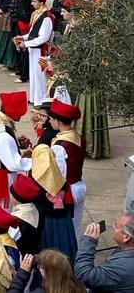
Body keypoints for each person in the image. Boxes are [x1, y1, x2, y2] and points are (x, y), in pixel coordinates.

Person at [0, 91, 33, 209]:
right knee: (4, 212)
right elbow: (14, 164)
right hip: (1, 178)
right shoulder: (3, 135)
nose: (21, 116)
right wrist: (36, 160)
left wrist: (15, 144)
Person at [45, 99, 87, 231]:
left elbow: (59, 174)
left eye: (51, 119)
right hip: (79, 185)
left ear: (58, 121)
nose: (50, 121)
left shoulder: (61, 145)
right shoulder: (78, 137)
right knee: (76, 224)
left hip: (68, 191)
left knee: (64, 228)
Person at [75, 214, 134, 292]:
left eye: (116, 226)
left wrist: (88, 241)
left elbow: (84, 276)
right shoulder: (127, 251)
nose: (113, 227)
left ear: (126, 237)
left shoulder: (121, 266)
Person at [16, 0, 53, 102]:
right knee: (33, 75)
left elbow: (43, 38)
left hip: (40, 51)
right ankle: (34, 98)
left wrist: (25, 44)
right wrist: (23, 37)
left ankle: (40, 99)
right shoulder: (37, 14)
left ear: (41, 3)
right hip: (33, 49)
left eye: (34, 1)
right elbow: (33, 33)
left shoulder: (46, 18)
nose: (32, 3)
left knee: (39, 76)